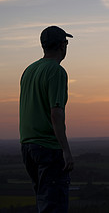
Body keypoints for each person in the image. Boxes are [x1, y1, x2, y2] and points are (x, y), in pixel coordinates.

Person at [19, 25, 74, 213]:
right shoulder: (56, 72)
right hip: (48, 148)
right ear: (62, 45)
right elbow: (56, 113)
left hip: (28, 147)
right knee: (53, 206)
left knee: (43, 201)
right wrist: (66, 150)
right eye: (66, 43)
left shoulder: (29, 70)